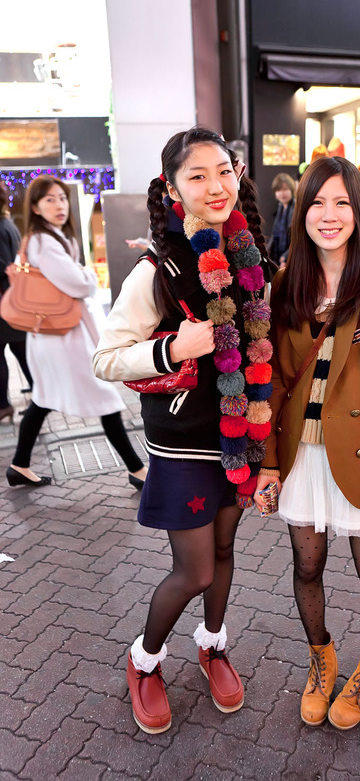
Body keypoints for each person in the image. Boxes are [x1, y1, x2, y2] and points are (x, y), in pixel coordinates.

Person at [93, 127, 273, 734]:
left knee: (226, 552)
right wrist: (174, 347)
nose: (215, 186)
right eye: (197, 176)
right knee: (194, 570)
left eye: (224, 171)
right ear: (173, 188)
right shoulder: (156, 270)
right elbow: (107, 358)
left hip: (238, 436)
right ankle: (145, 661)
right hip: (183, 445)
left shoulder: (250, 254)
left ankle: (213, 644)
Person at [255, 156, 360, 731]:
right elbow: (274, 382)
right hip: (301, 457)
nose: (328, 215)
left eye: (341, 203)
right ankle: (320, 659)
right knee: (308, 565)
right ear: (301, 211)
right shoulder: (285, 283)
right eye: (317, 203)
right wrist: (269, 465)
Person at [6, 175, 147, 490]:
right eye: (50, 200)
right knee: (105, 398)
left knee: (43, 399)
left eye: (61, 198)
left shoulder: (49, 237)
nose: (59, 205)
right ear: (35, 207)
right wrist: (85, 274)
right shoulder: (43, 241)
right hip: (61, 338)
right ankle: (137, 470)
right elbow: (80, 283)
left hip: (54, 335)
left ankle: (19, 465)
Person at [0, 183, 33, 423]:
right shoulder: (8, 225)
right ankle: (42, 396)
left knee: (14, 352)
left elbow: (3, 267)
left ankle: (3, 404)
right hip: (13, 301)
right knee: (21, 351)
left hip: (5, 302)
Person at [267, 173, 296, 267]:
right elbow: (275, 234)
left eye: (285, 189)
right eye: (279, 190)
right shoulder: (280, 207)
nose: (282, 193)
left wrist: (286, 257)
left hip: (291, 258)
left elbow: (298, 238)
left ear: (291, 190)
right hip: (278, 257)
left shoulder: (296, 208)